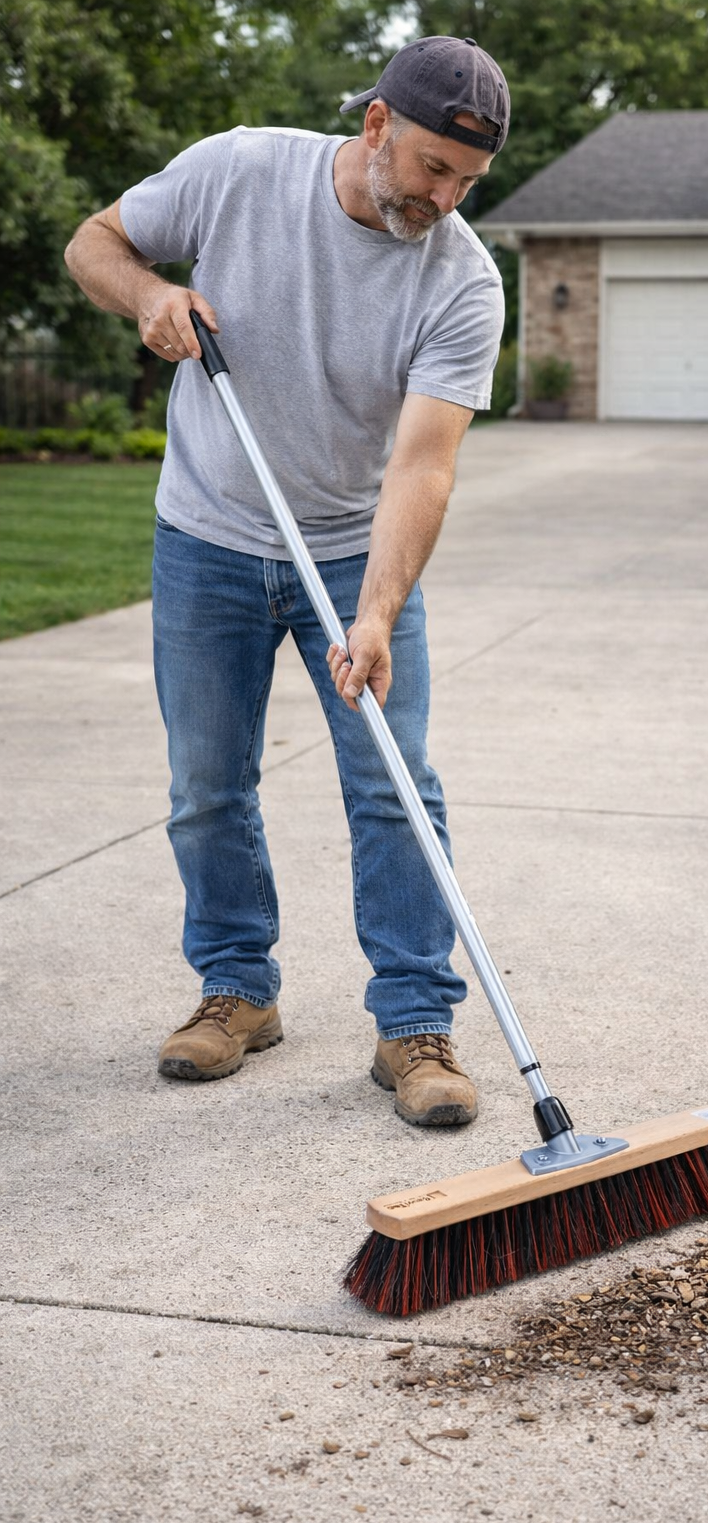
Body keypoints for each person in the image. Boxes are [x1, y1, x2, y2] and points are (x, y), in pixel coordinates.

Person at [64, 36, 510, 1127]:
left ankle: (413, 1022)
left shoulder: (459, 279)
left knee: (394, 782)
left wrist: (376, 611)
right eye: (429, 169)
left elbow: (424, 464)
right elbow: (95, 242)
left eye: (466, 182)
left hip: (353, 546)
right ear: (373, 126)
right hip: (208, 536)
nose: (444, 199)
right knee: (207, 786)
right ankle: (237, 992)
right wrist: (148, 296)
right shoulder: (239, 171)